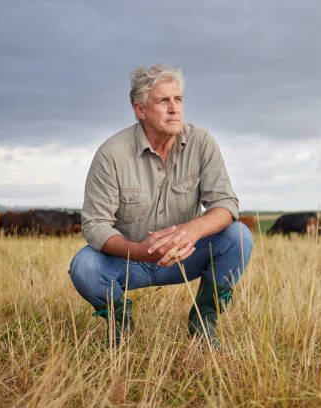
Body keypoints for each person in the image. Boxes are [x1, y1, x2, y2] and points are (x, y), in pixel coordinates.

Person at [68, 63, 253, 348]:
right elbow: (95, 226)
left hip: (185, 254)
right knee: (85, 267)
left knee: (240, 237)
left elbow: (226, 205)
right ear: (140, 110)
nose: (174, 108)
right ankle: (121, 324)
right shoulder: (111, 154)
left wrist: (192, 231)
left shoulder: (202, 142)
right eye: (163, 101)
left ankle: (204, 322)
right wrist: (141, 252)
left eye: (178, 99)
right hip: (130, 260)